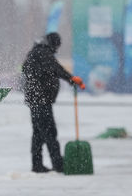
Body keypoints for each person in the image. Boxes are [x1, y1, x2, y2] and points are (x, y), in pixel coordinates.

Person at [21, 32, 85, 173]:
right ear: (53, 43)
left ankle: (37, 165)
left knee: (38, 133)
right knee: (50, 132)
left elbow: (50, 69)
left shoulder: (37, 52)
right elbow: (56, 69)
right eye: (57, 45)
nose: (57, 49)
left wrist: (70, 79)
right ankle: (58, 164)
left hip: (37, 100)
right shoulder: (42, 53)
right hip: (40, 100)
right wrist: (71, 78)